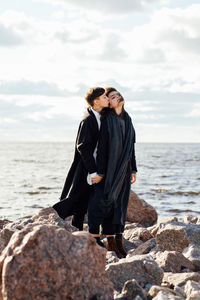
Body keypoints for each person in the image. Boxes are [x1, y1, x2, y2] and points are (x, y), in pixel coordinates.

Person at [88, 87, 137, 258]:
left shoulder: (128, 119)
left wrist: (133, 169)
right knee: (110, 205)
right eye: (112, 97)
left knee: (122, 205)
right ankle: (110, 242)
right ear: (109, 103)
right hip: (110, 169)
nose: (117, 97)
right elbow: (102, 149)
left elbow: (131, 148)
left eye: (118, 95)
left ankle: (118, 241)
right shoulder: (108, 119)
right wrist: (100, 172)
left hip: (125, 170)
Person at [52, 87, 109, 231]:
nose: (107, 99)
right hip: (84, 168)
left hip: (91, 167)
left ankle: (76, 232)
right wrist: (93, 172)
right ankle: (50, 219)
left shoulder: (99, 117)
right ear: (96, 101)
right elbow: (83, 147)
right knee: (74, 200)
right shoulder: (88, 119)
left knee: (82, 204)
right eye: (104, 97)